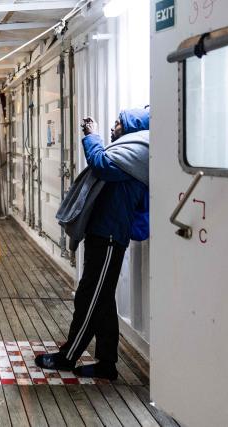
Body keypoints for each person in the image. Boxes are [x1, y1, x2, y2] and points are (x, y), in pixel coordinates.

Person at [37, 108, 150, 381]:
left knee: (89, 298)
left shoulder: (138, 153)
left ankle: (69, 357)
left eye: (119, 123)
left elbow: (101, 163)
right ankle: (107, 363)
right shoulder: (129, 151)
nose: (114, 127)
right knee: (102, 300)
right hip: (104, 233)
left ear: (132, 128)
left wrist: (92, 136)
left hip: (111, 236)